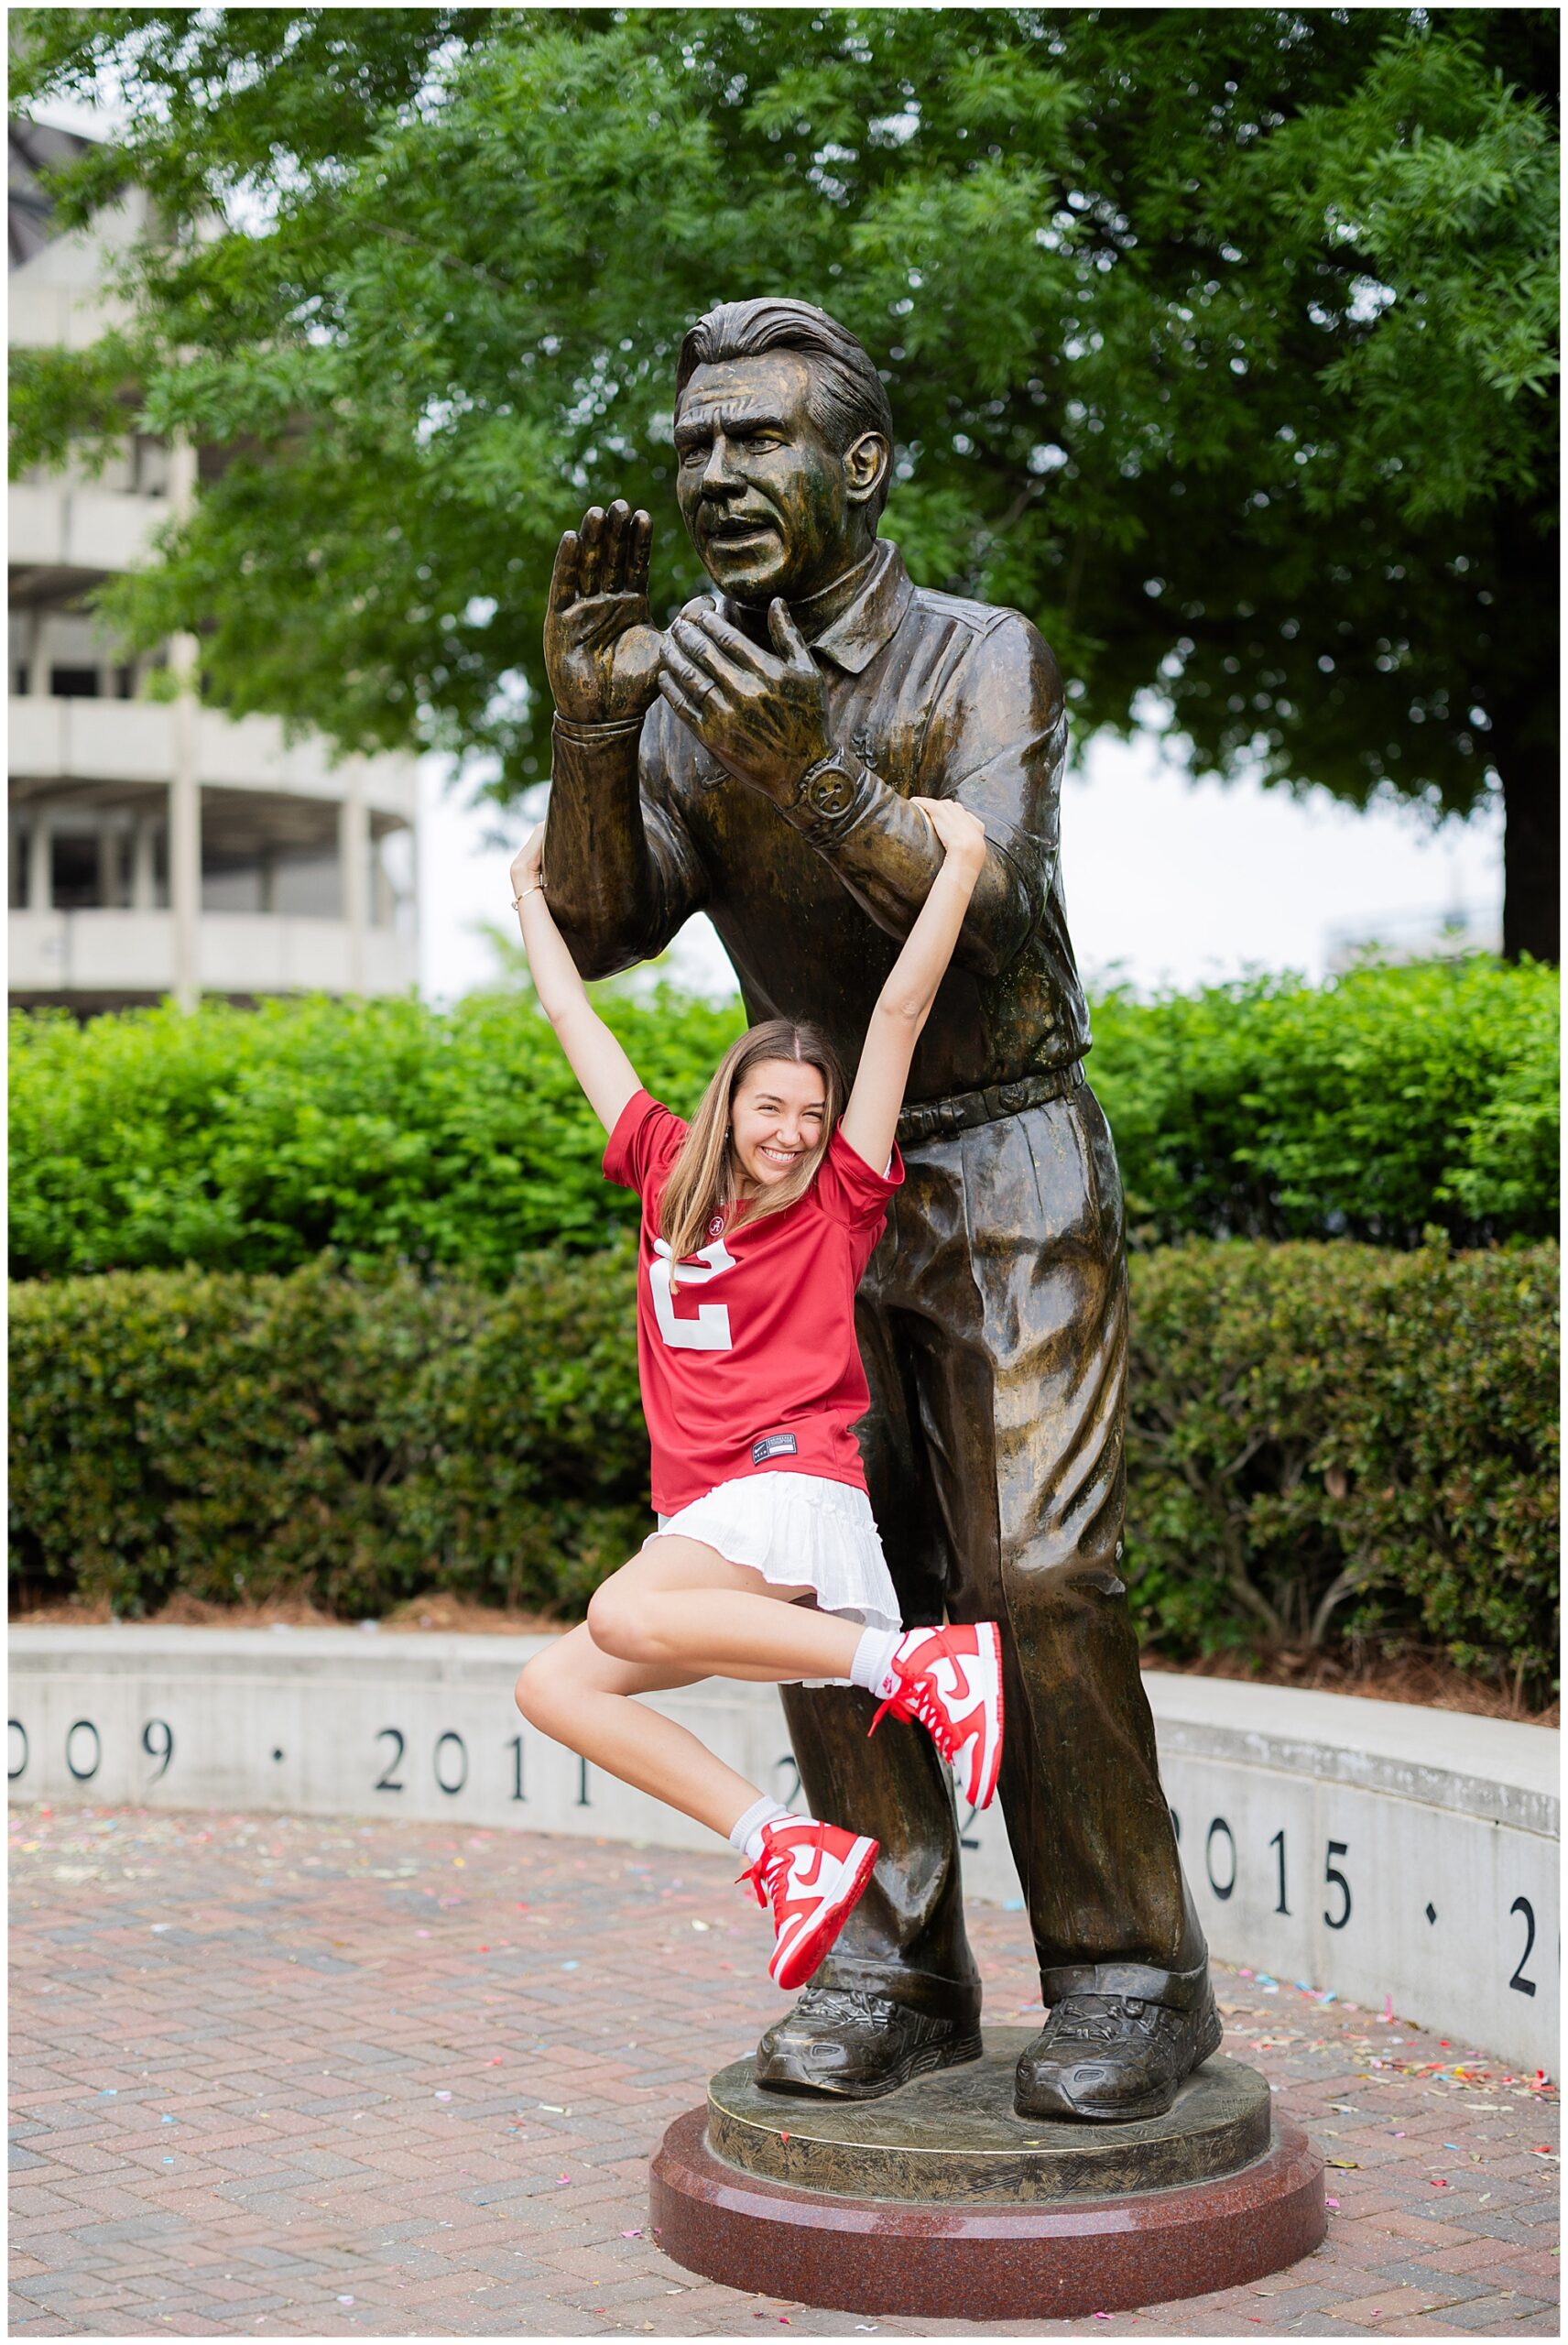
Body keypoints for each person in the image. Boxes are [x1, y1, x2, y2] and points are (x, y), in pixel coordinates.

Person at [536, 295, 1218, 2122]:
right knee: (820, 1566)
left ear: (860, 461)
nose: (715, 473)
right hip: (804, 1185)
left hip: (1002, 1155)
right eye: (694, 445)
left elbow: (996, 907)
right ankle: (893, 1963)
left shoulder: (982, 656)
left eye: (755, 438)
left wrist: (817, 779)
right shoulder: (691, 687)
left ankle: (1133, 1973)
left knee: (1038, 1573)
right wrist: (593, 735)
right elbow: (600, 923)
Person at [510, 792, 1007, 1995]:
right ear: (730, 1101)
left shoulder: (839, 1197)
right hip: (706, 1514)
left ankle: (920, 1666)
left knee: (621, 1618)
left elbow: (897, 1015)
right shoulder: (660, 1164)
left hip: (789, 1484)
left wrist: (961, 863)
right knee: (554, 1685)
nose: (790, 1132)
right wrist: (527, 896)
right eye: (771, 1107)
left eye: (812, 1115)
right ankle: (783, 1848)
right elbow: (570, 1011)